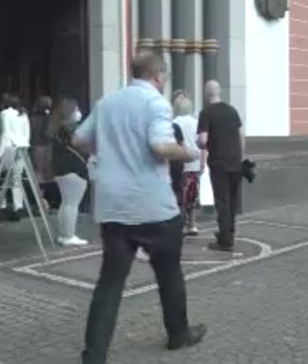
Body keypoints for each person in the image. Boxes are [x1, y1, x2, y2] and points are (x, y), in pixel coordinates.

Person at [74, 52, 206, 364]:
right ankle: (178, 334)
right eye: (165, 77)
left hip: (114, 207)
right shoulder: (156, 103)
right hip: (153, 207)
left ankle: (93, 356)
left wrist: (109, 151)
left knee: (110, 283)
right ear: (158, 75)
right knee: (169, 274)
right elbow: (160, 146)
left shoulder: (108, 102)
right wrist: (188, 153)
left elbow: (79, 139)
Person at [197, 80, 244, 252]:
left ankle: (225, 240)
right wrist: (240, 155)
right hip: (235, 161)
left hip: (219, 163)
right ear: (219, 92)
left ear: (206, 93)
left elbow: (203, 139)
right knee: (232, 202)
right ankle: (229, 233)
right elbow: (240, 135)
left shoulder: (206, 112)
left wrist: (200, 145)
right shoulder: (232, 111)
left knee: (222, 202)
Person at [48, 97, 89, 247]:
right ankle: (69, 235)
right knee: (72, 204)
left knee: (66, 203)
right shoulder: (71, 129)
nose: (79, 112)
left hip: (60, 169)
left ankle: (64, 234)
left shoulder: (57, 127)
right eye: (77, 109)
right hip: (74, 168)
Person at [174, 96, 205, 236]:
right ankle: (192, 224)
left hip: (180, 164)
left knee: (180, 196)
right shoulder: (196, 123)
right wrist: (202, 162)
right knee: (193, 196)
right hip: (195, 163)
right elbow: (203, 144)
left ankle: (180, 224)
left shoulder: (174, 123)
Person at [0, 94, 31, 222]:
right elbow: (27, 134)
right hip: (22, 148)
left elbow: (5, 132)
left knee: (3, 179)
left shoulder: (5, 114)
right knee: (17, 179)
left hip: (9, 147)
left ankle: (3, 206)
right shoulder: (23, 115)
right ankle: (18, 207)